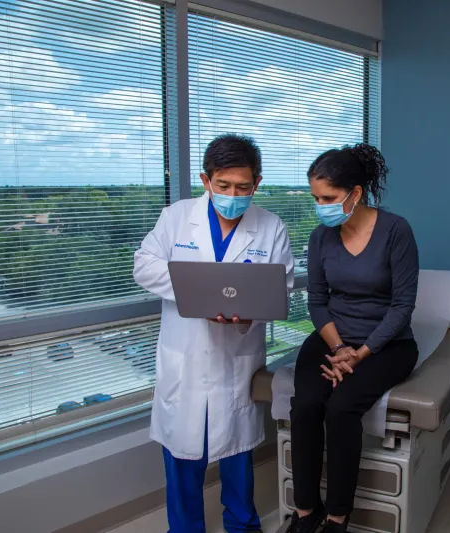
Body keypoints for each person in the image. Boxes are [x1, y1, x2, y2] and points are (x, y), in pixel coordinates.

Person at [134, 134, 295, 533]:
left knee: (237, 455)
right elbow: (144, 265)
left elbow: (282, 285)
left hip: (235, 355)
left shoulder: (271, 227)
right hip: (184, 358)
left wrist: (248, 317)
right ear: (206, 180)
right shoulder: (176, 217)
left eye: (243, 187)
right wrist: (197, 293)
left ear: (257, 183)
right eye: (223, 186)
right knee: (182, 454)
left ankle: (242, 526)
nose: (232, 194)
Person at [286, 144, 419, 533]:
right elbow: (317, 301)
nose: (320, 206)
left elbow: (402, 306)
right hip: (333, 339)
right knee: (307, 405)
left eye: (328, 197)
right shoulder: (320, 238)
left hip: (386, 344)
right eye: (315, 198)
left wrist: (360, 354)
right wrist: (339, 347)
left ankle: (337, 517)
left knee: (341, 407)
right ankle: (306, 511)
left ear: (355, 193)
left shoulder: (396, 231)